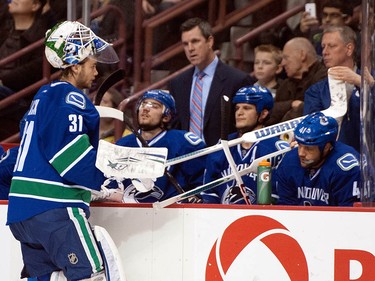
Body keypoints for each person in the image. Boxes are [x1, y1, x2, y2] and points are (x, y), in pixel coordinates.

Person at [6, 21, 120, 280]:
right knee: (91, 274)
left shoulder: (42, 96)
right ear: (75, 65)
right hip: (55, 209)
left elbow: (39, 149)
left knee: (45, 277)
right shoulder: (71, 98)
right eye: (92, 65)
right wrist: (107, 179)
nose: (96, 72)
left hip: (23, 213)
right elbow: (70, 159)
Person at [168, 17, 254, 146]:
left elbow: (245, 126)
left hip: (223, 158)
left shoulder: (237, 80)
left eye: (195, 41)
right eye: (185, 44)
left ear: (210, 41)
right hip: (186, 159)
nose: (190, 48)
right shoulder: (177, 83)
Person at [201, 85, 290, 204]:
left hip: (260, 219)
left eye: (246, 108)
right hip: (222, 219)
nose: (239, 113)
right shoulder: (223, 145)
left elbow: (279, 196)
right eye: (237, 108)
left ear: (263, 114)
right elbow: (209, 191)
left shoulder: (276, 149)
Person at [115, 89, 207, 203]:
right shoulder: (123, 144)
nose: (145, 108)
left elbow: (200, 185)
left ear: (166, 116)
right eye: (143, 104)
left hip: (171, 213)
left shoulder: (183, 143)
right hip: (126, 212)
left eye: (154, 106)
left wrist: (195, 197)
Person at [303, 25, 370, 152]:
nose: (324, 52)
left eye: (332, 46)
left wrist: (360, 82)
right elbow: (312, 131)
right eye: (323, 47)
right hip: (333, 159)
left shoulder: (370, 79)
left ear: (349, 49)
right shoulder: (315, 91)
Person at [274, 112, 360, 206]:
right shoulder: (289, 162)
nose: (301, 153)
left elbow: (350, 215)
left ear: (326, 147)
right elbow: (285, 209)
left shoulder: (346, 169)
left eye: (309, 148)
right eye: (299, 145)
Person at [265, 37, 327, 126]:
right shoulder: (285, 85)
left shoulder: (323, 76)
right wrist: (291, 104)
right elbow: (269, 113)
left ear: (302, 55)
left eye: (286, 57)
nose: (283, 63)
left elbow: (314, 110)